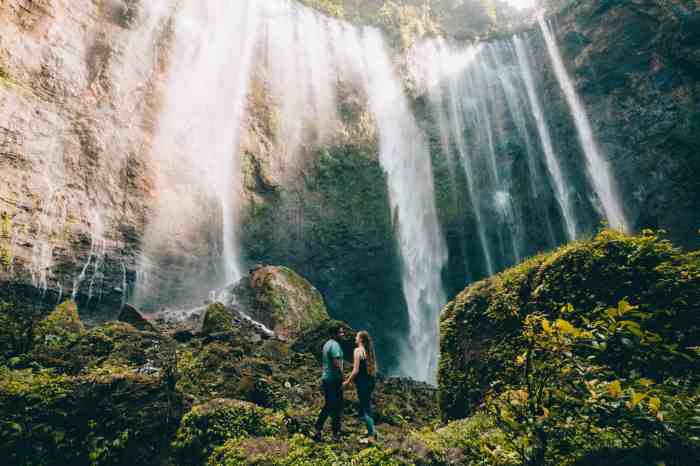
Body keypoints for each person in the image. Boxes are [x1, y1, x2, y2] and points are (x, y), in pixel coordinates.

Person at [343, 330, 378, 443]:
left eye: (357, 337)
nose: (355, 338)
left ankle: (371, 437)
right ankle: (372, 431)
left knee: (365, 409)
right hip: (370, 382)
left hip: (362, 383)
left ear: (361, 340)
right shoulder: (368, 351)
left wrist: (347, 382)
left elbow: (356, 370)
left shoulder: (358, 351)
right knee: (367, 406)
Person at [314, 323, 345, 441]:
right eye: (340, 332)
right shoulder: (335, 346)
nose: (343, 334)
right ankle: (335, 434)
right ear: (334, 334)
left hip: (326, 379)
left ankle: (318, 428)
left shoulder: (327, 344)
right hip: (334, 380)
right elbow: (336, 363)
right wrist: (344, 377)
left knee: (329, 405)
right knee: (337, 407)